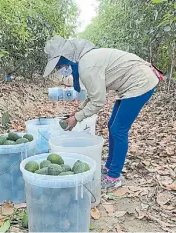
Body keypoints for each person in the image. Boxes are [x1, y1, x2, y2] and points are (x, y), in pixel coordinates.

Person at [43, 35, 163, 189]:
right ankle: (109, 168)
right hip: (130, 84)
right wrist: (78, 112)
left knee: (119, 129)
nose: (61, 69)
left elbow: (99, 102)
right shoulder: (86, 60)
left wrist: (77, 118)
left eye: (59, 65)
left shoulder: (87, 65)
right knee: (112, 124)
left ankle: (114, 177)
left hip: (140, 82)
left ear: (65, 58)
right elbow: (95, 95)